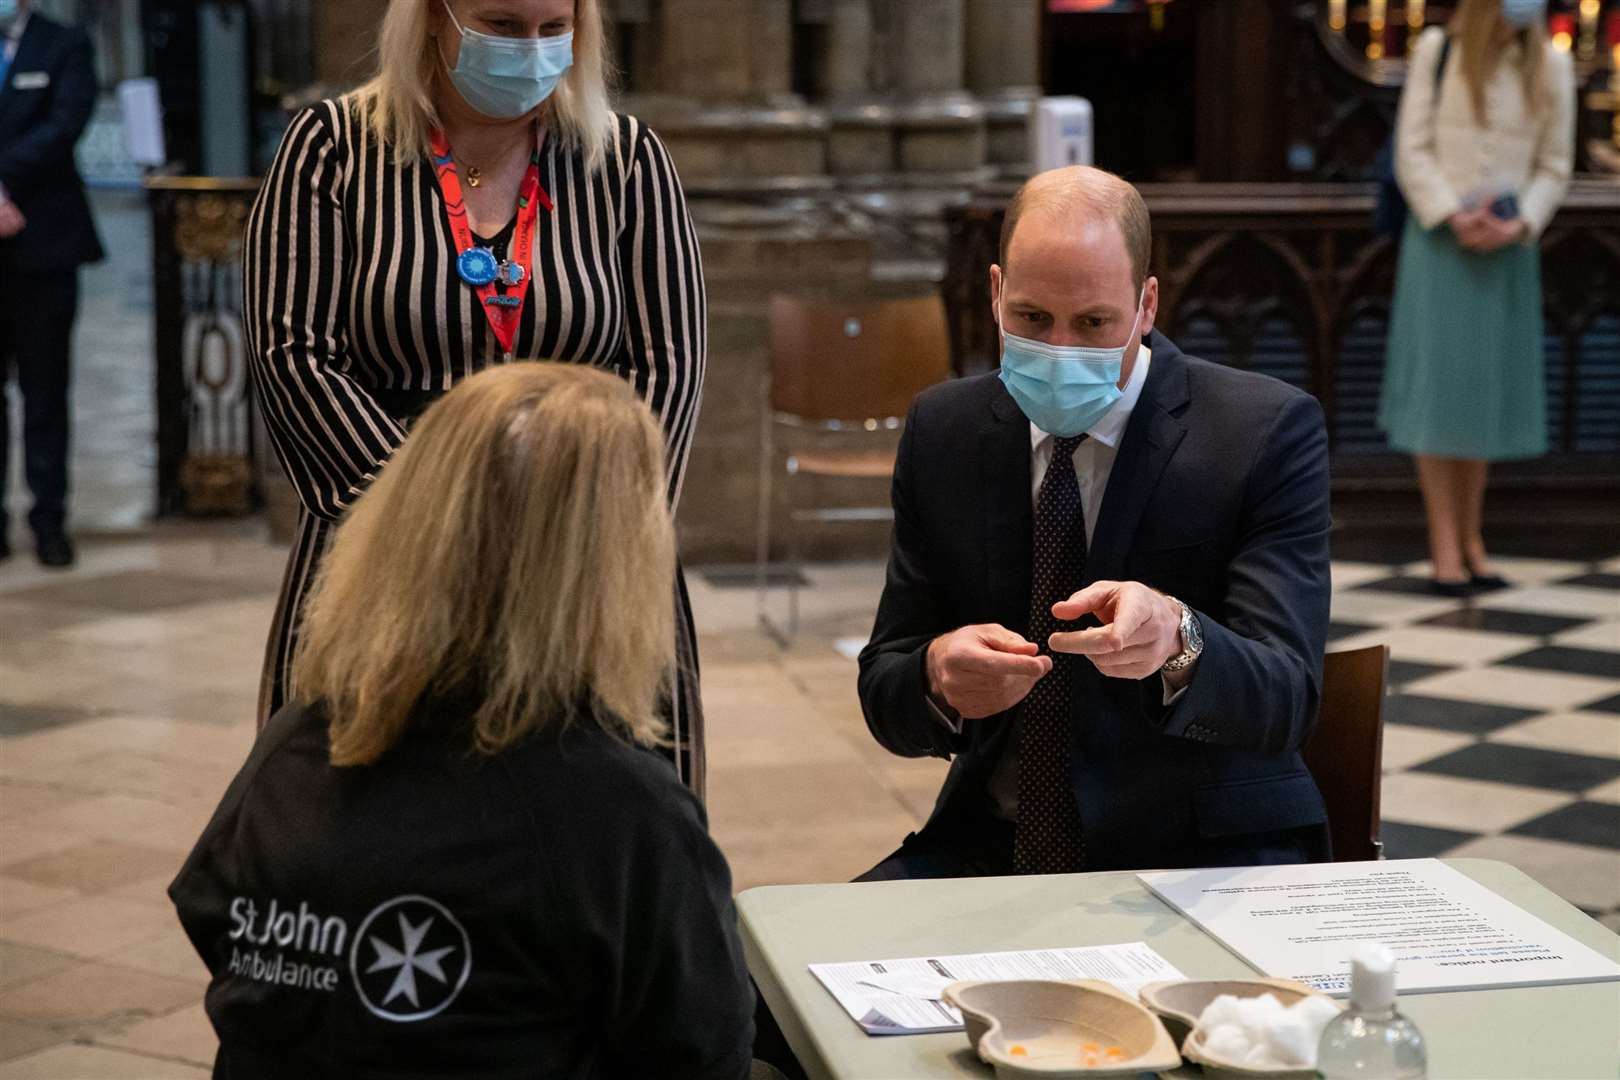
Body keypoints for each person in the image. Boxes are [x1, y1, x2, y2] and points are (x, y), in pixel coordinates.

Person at [170, 364, 755, 1079]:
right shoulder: (619, 810)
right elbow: (705, 1050)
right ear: (611, 562)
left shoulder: (299, 741)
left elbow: (208, 910)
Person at [246, 0, 709, 794]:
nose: (530, 51)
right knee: (372, 824)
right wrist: (435, 521)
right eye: (500, 26)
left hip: (584, 552)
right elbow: (295, 354)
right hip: (381, 545)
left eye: (550, 29)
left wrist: (592, 519)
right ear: (432, 18)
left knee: (597, 830)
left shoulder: (625, 159)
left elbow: (669, 363)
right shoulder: (332, 149)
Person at [857, 166, 1333, 879]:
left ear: (1146, 306)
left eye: (1093, 324)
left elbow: (1287, 697)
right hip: (995, 842)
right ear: (994, 294)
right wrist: (936, 676)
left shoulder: (1260, 432)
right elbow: (885, 683)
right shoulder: (944, 431)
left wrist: (1180, 638)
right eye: (1031, 319)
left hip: (1203, 852)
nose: (1060, 351)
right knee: (777, 982)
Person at [1379, 0, 1574, 596]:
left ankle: (1472, 538)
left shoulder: (1552, 65)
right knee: (1442, 396)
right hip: (1443, 245)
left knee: (1482, 397)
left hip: (1509, 251)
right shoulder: (1438, 51)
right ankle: (1444, 546)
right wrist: (1452, 215)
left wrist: (1519, 224)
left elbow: (1555, 163)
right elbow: (1411, 150)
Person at [0, 0, 102, 567]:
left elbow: (65, 121)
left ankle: (49, 520)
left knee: (45, 392)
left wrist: (4, 184)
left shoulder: (63, 44)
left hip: (44, 241)